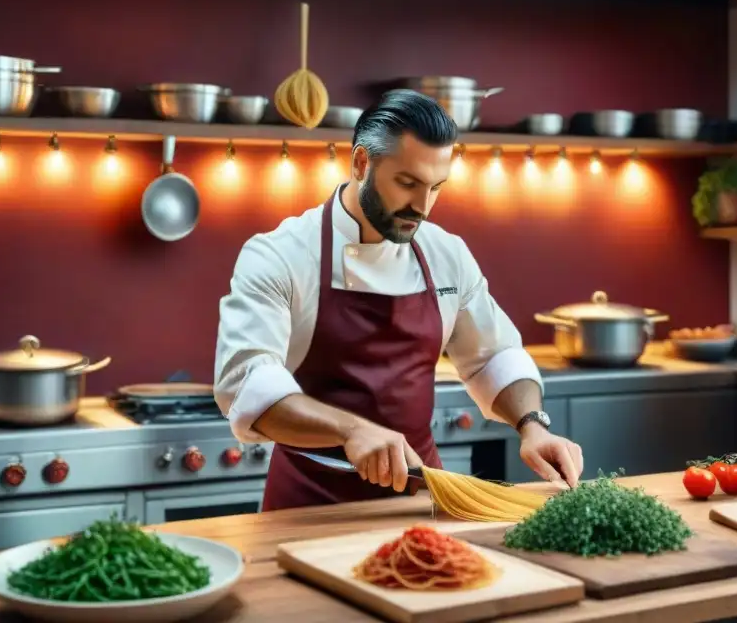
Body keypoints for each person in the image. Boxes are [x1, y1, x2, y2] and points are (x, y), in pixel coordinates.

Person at [214, 89, 583, 510]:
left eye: (436, 188)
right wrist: (351, 430)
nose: (422, 206)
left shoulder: (446, 253)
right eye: (407, 183)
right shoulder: (280, 254)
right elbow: (248, 385)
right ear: (360, 163)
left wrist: (532, 425)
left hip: (420, 499)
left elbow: (492, 356)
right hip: (309, 504)